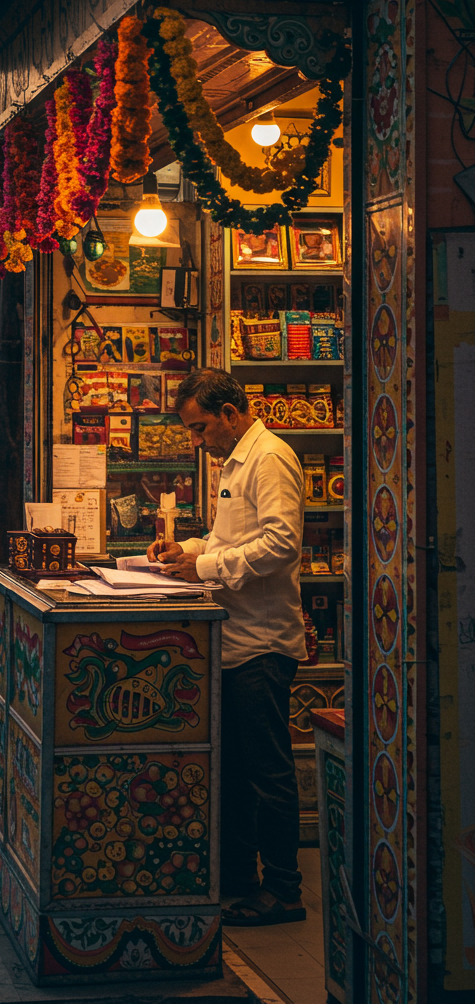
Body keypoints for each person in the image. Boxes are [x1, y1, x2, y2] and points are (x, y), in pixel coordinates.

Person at [146, 368, 306, 928]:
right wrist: (187, 550)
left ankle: (284, 890)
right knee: (236, 771)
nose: (197, 440)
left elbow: (282, 543)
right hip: (235, 641)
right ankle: (240, 876)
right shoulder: (236, 462)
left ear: (230, 414)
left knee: (268, 774)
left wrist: (206, 565)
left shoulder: (270, 458)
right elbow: (228, 540)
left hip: (263, 643)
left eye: (200, 428)